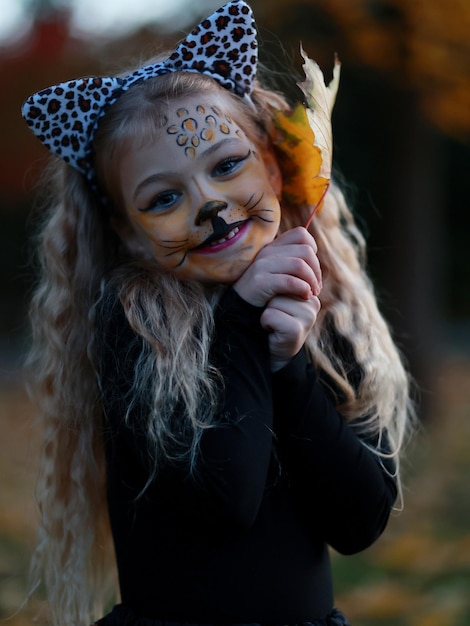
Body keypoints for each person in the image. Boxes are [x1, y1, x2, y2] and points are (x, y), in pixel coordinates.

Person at [21, 2, 414, 625]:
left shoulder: (319, 317)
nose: (209, 204)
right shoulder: (136, 328)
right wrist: (240, 324)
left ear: (275, 166)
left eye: (227, 165)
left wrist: (290, 367)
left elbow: (360, 520)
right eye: (164, 197)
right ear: (127, 234)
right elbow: (228, 498)